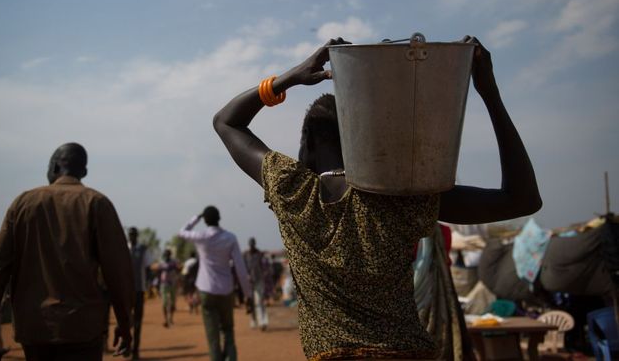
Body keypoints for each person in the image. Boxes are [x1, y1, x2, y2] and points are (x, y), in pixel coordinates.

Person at [213, 37, 542, 360]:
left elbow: (227, 121)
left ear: (308, 147)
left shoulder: (292, 189)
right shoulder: (399, 194)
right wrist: (489, 93)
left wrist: (294, 76)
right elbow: (521, 200)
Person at [0, 143, 135, 361]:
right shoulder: (97, 203)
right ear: (84, 172)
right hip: (82, 330)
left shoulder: (23, 203)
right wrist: (124, 324)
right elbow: (118, 271)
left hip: (35, 330)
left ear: (55, 166)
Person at [178, 206, 252, 361]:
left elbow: (182, 232)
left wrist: (196, 218)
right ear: (219, 219)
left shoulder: (201, 237)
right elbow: (241, 269)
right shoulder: (230, 238)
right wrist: (248, 295)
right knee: (228, 330)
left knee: (213, 337)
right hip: (226, 291)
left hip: (206, 291)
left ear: (205, 221)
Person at [128, 227, 150, 360]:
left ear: (137, 235)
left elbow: (148, 268)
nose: (132, 237)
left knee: (137, 322)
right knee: (124, 321)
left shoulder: (143, 250)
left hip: (139, 290)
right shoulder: (123, 248)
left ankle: (135, 350)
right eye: (130, 234)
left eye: (134, 234)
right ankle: (126, 347)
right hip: (125, 291)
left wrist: (149, 285)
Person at [242, 237, 271, 330]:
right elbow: (243, 267)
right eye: (250, 245)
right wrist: (246, 276)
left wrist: (265, 273)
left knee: (260, 300)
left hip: (259, 280)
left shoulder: (259, 254)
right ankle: (253, 319)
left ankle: (263, 321)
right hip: (250, 281)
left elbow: (265, 266)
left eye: (253, 245)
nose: (252, 246)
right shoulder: (245, 255)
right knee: (251, 302)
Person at [158, 249, 179, 327]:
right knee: (164, 303)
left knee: (173, 303)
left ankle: (171, 318)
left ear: (170, 255)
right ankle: (166, 319)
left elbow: (178, 270)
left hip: (173, 284)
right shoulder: (161, 263)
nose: (166, 256)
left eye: (167, 255)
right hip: (164, 284)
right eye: (165, 255)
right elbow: (158, 272)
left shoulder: (174, 262)